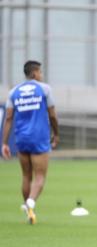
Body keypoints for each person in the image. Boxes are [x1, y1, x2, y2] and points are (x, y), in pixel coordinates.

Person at [1, 60, 59, 225]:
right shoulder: (44, 89)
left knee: (26, 176)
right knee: (39, 176)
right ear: (34, 73)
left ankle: (29, 213)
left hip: (21, 138)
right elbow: (53, 115)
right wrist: (56, 134)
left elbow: (9, 118)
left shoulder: (14, 92)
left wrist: (4, 143)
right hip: (39, 137)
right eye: (40, 72)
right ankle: (31, 202)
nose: (41, 75)